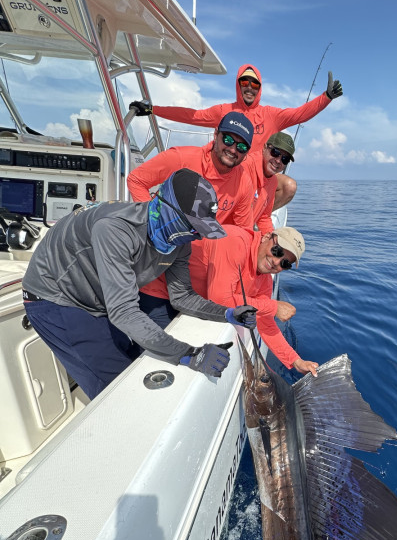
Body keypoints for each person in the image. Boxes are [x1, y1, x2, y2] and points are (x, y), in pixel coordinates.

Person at [22, 170, 257, 399]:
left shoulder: (180, 242)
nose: (197, 236)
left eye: (201, 231)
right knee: (117, 389)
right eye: (193, 227)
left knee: (134, 365)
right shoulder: (115, 229)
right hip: (55, 298)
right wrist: (189, 353)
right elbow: (123, 312)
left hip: (97, 297)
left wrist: (227, 313)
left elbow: (182, 296)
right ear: (169, 211)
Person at [130, 63, 342, 211]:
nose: (249, 87)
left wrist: (326, 97)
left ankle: (258, 216)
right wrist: (153, 110)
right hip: (227, 174)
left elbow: (300, 114)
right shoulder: (224, 110)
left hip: (257, 180)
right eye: (245, 82)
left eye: (254, 84)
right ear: (238, 84)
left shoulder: (271, 115)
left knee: (289, 186)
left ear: (260, 88)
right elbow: (191, 115)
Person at [126, 111, 256, 325]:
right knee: (153, 338)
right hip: (158, 276)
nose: (233, 149)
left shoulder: (244, 182)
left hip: (198, 288)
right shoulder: (181, 158)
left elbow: (242, 235)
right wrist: (155, 228)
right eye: (228, 139)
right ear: (216, 134)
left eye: (241, 147)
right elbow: (136, 179)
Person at [190, 224, 319, 377]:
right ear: (266, 237)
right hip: (169, 293)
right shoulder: (235, 241)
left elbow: (265, 323)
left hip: (192, 300)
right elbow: (219, 299)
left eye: (285, 263)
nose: (276, 262)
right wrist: (272, 307)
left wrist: (296, 361)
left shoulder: (265, 278)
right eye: (277, 251)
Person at [247, 132, 297, 235]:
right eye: (275, 152)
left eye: (285, 159)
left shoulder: (273, 181)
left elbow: (264, 216)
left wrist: (270, 238)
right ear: (264, 147)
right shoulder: (245, 168)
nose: (278, 161)